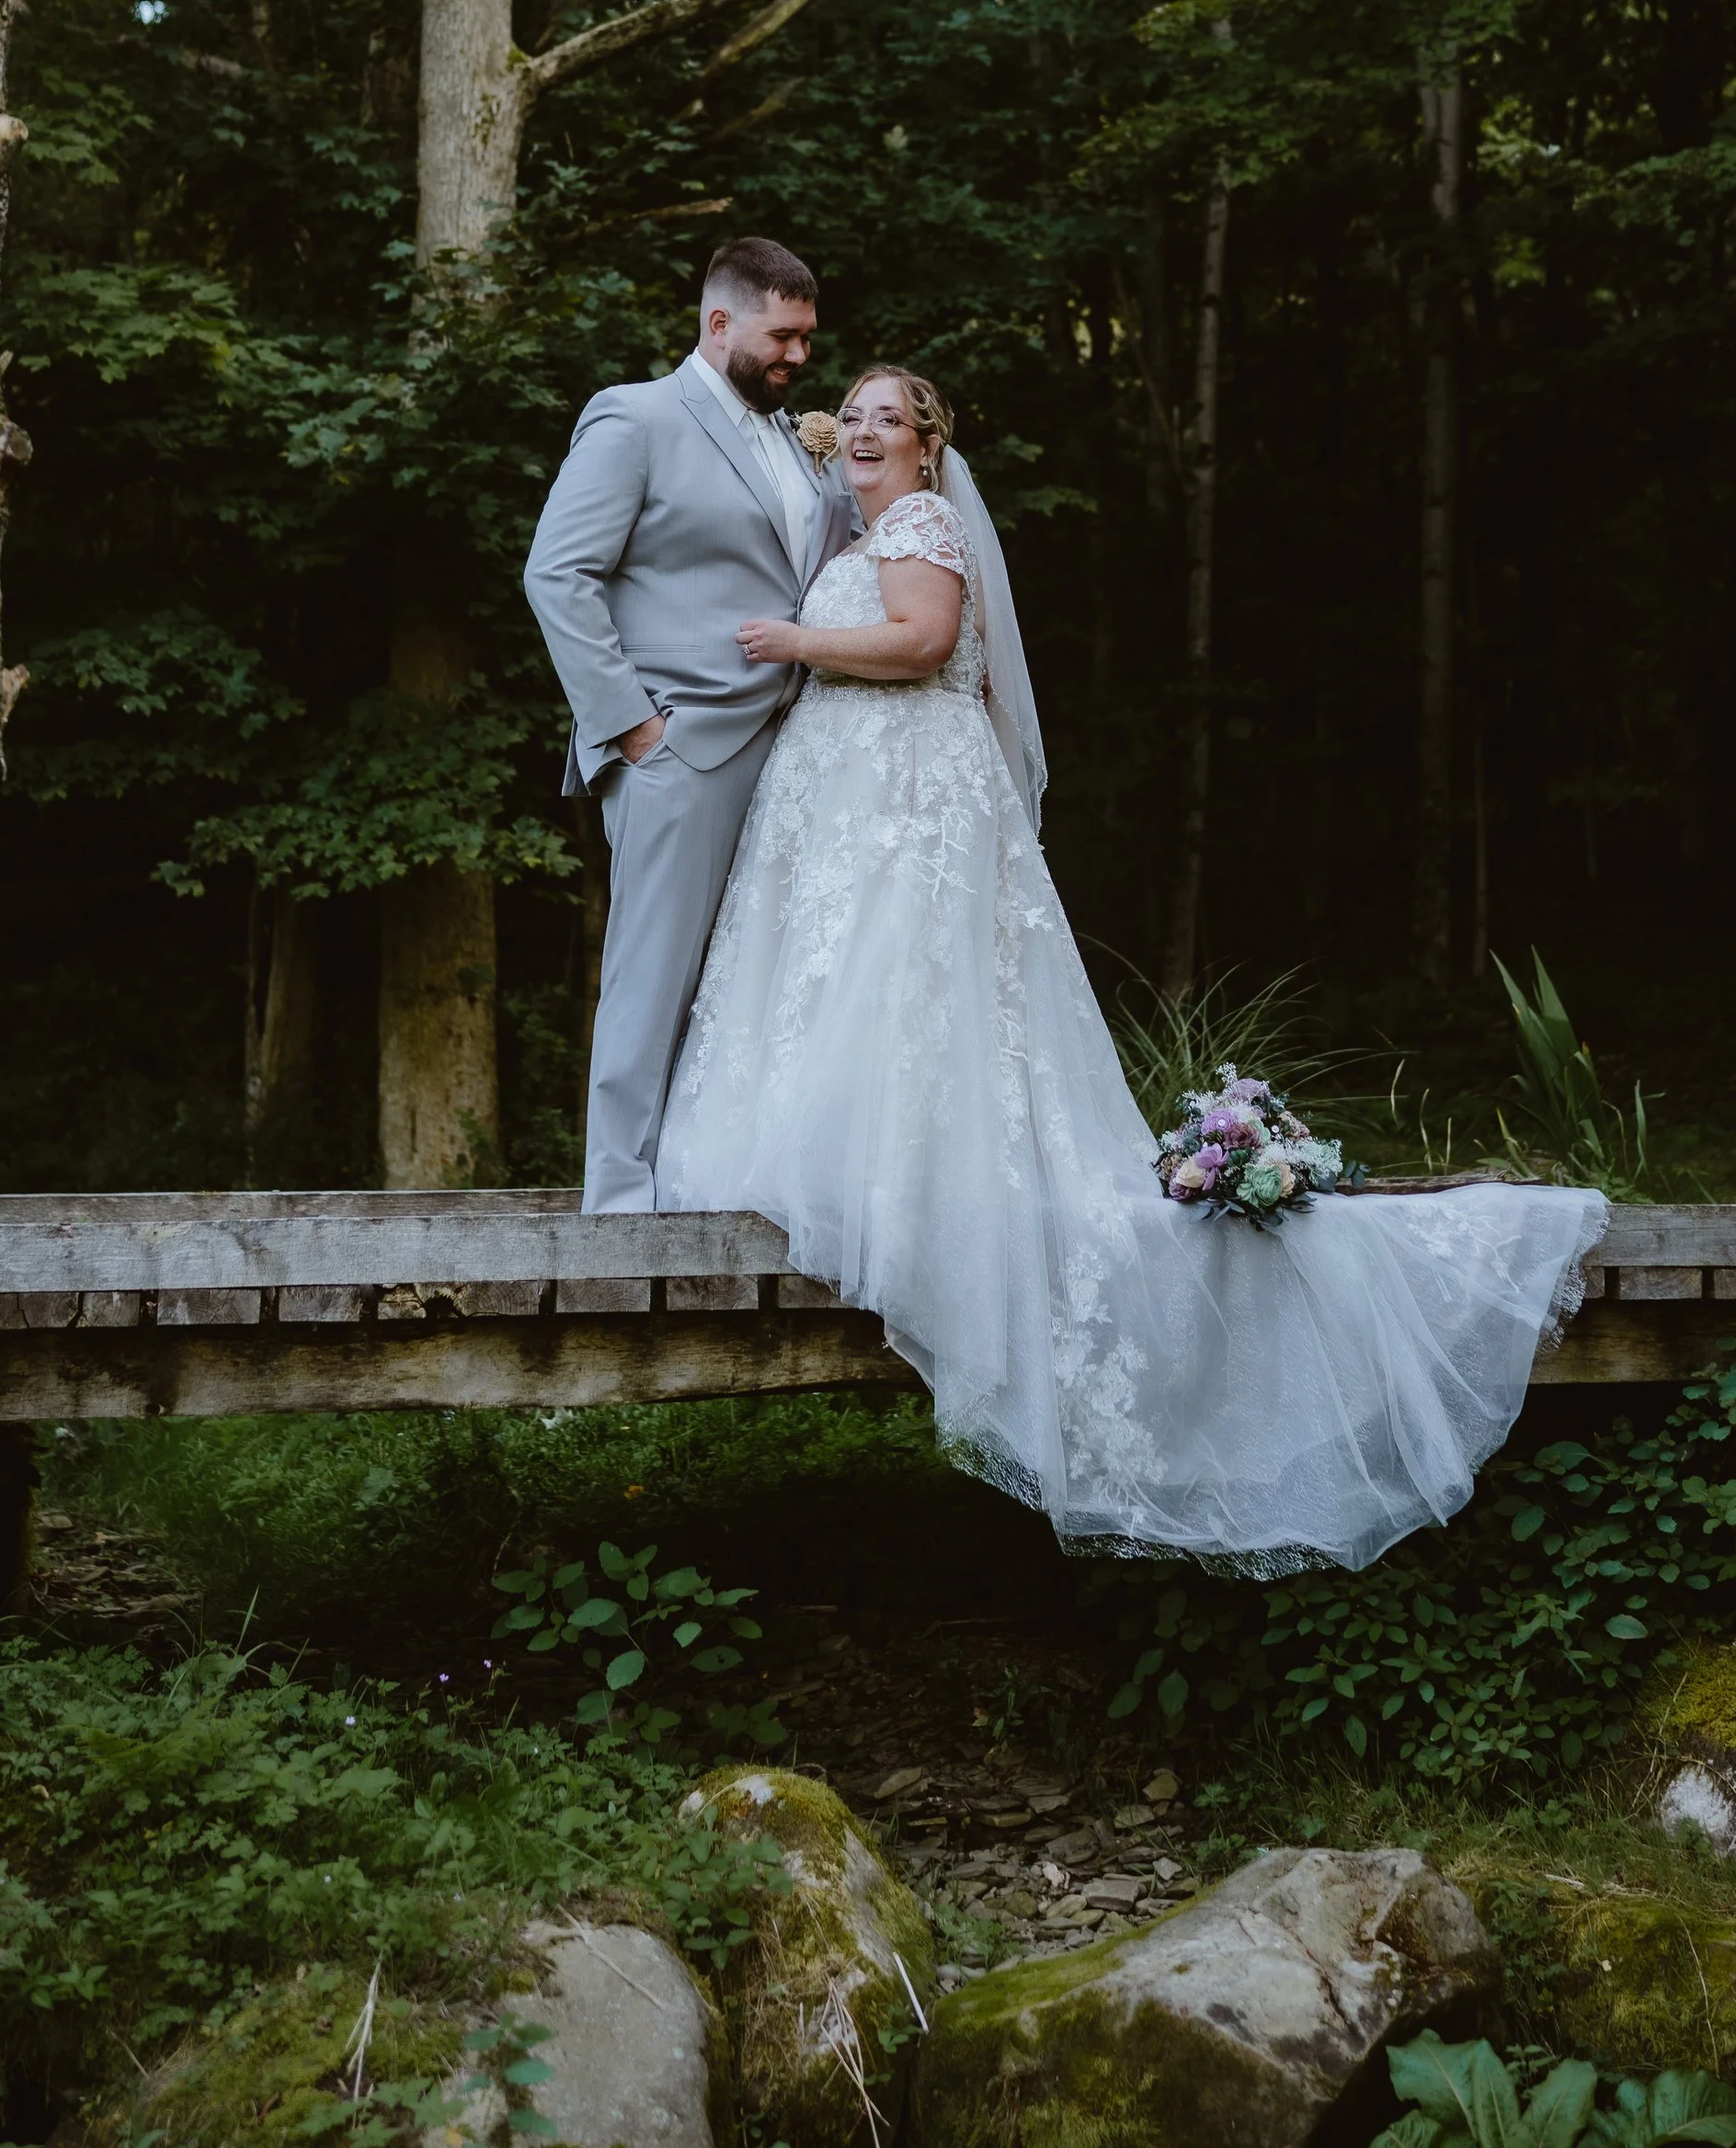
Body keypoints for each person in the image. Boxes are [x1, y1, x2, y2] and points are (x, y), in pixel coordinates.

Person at [655, 360, 1608, 1571]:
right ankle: (852, 1187)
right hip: (861, 806)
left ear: (929, 447)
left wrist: (795, 639)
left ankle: (933, 1223)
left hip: (907, 808)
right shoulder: (863, 526)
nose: (865, 429)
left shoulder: (926, 521)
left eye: (889, 417)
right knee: (856, 1007)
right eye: (855, 415)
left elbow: (924, 639)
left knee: (910, 1007)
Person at [524, 236, 857, 1213]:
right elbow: (557, 573)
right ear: (719, 322)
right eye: (782, 335)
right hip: (684, 744)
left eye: (807, 337)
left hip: (797, 745)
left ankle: (715, 1184)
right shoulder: (634, 418)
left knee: (760, 979)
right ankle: (621, 1205)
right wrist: (631, 729)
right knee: (653, 971)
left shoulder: (796, 441)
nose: (799, 356)